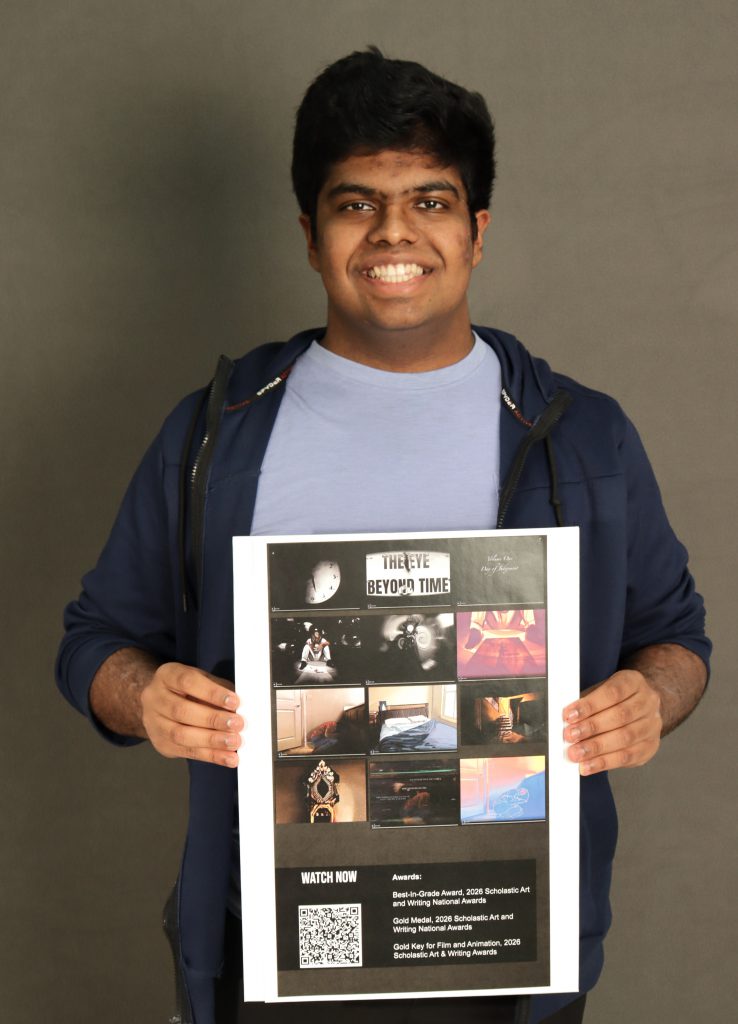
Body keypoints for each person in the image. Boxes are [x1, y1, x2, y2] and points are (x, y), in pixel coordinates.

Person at [56, 48, 709, 1024]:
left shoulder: (585, 435)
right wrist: (140, 695)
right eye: (356, 203)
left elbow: (676, 640)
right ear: (313, 237)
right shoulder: (216, 432)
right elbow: (94, 639)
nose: (394, 232)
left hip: (505, 949)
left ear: (478, 231)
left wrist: (648, 698)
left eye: (432, 202)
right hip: (274, 952)